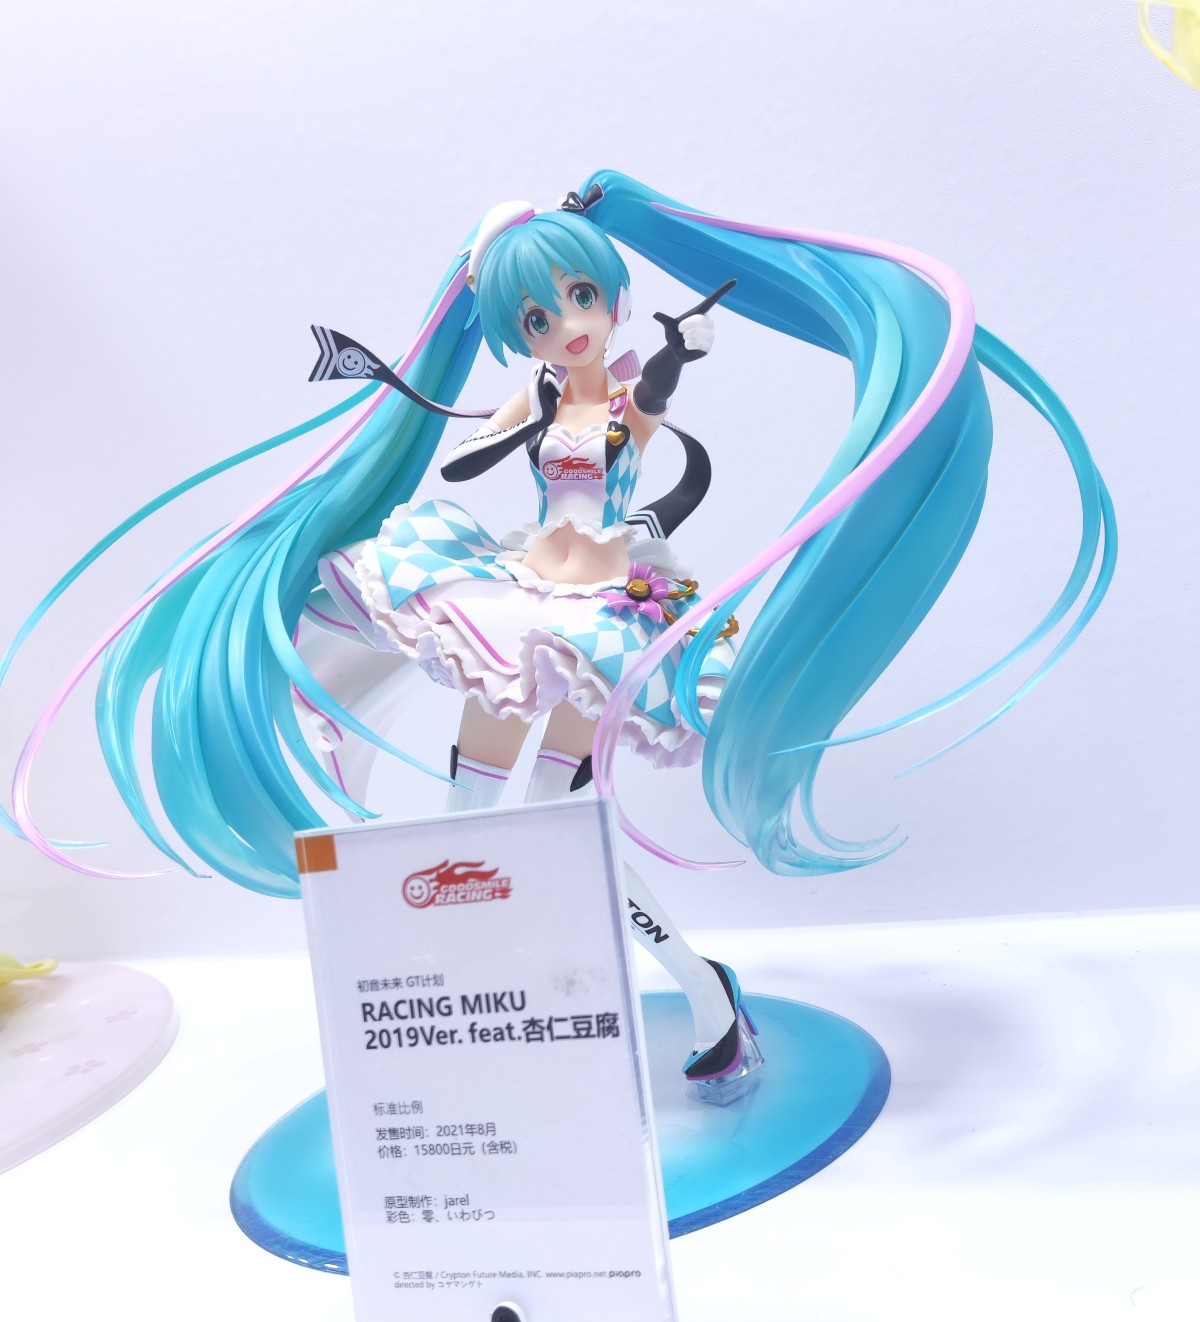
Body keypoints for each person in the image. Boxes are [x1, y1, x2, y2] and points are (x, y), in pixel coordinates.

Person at [3, 171, 1115, 1087]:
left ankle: (696, 986)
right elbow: (471, 462)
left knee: (559, 832)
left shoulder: (627, 395)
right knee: (471, 820)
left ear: (611, 299)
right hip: (518, 602)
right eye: (538, 317)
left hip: (600, 623)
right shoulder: (535, 396)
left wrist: (676, 354)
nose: (566, 326)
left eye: (580, 299)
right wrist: (466, 416)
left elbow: (654, 408)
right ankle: (512, 999)